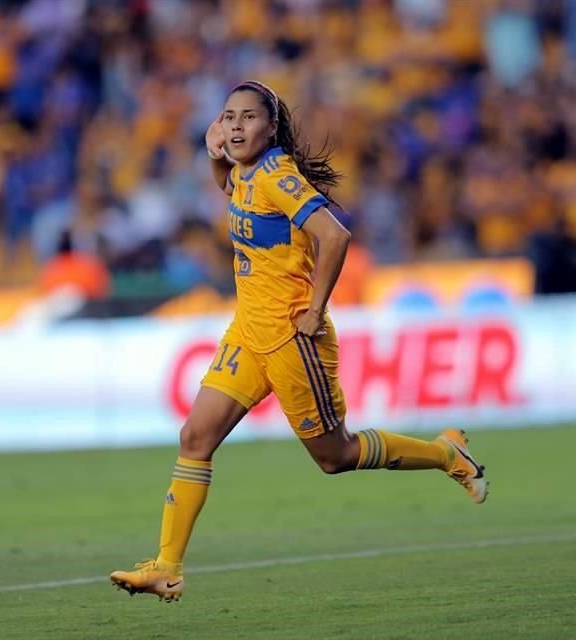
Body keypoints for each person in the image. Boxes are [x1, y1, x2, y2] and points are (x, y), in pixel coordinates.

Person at [110, 81, 488, 602]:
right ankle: (167, 567)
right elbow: (231, 190)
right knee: (195, 439)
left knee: (336, 456)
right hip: (248, 332)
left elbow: (335, 234)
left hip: (291, 339)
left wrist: (314, 310)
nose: (238, 125)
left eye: (248, 117)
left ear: (271, 128)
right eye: (229, 116)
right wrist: (213, 154)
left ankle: (448, 454)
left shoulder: (277, 175)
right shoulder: (243, 171)